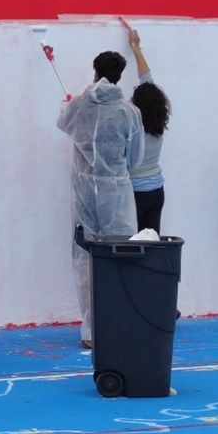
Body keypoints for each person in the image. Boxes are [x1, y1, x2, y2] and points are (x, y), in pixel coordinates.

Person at [57, 51, 145, 348]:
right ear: (120, 74)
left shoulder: (79, 105)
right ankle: (118, 323)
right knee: (120, 256)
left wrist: (66, 104)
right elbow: (136, 157)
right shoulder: (128, 112)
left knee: (84, 258)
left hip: (83, 192)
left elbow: (63, 123)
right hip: (116, 193)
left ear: (95, 71)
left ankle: (91, 331)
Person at [127, 28, 171, 233]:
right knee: (151, 243)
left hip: (135, 192)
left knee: (132, 246)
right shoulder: (157, 119)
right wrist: (136, 48)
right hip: (156, 191)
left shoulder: (133, 128)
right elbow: (147, 78)